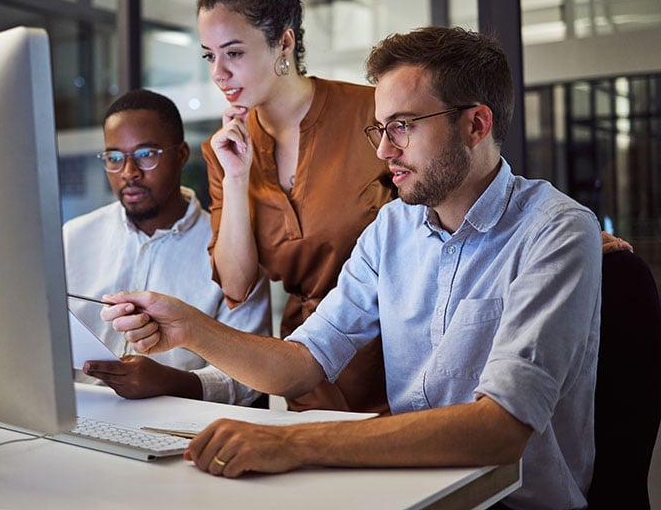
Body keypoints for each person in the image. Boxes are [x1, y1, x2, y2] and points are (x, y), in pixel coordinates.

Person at [100, 27, 603, 509]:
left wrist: (298, 444)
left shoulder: (555, 231)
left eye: (403, 126)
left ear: (476, 124)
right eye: (381, 129)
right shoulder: (392, 229)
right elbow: (301, 365)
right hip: (412, 490)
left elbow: (499, 430)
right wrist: (189, 327)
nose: (384, 151)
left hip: (507, 503)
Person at [198, 0, 395, 413]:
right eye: (210, 56)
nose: (218, 74)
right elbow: (238, 286)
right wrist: (238, 176)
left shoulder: (373, 112)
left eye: (234, 53)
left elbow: (454, 196)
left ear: (283, 42)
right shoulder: (224, 150)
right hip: (305, 369)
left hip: (397, 357)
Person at [63, 89, 271, 406]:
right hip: (78, 415)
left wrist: (171, 382)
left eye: (146, 154)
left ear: (181, 155)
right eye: (114, 158)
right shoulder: (74, 238)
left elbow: (253, 379)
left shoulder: (231, 251)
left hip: (179, 428)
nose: (128, 172)